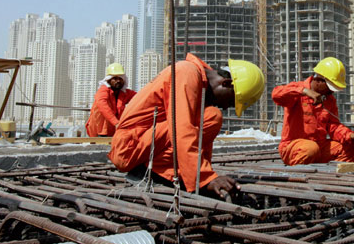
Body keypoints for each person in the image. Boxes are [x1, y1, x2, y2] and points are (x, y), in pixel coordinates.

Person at [109, 53, 264, 198]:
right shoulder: (187, 73)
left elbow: (200, 144)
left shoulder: (198, 83)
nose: (224, 107)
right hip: (129, 148)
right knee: (211, 117)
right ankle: (154, 174)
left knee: (210, 116)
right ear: (226, 83)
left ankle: (177, 174)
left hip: (143, 143)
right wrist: (204, 178)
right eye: (230, 101)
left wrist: (206, 176)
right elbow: (181, 130)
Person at [272, 57, 354, 165]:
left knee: (353, 146)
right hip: (293, 147)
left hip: (318, 146)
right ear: (319, 80)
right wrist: (304, 91)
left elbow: (333, 126)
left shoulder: (329, 100)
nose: (331, 92)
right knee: (311, 149)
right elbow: (276, 94)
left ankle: (329, 172)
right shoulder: (298, 90)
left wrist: (350, 135)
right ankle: (300, 169)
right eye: (330, 87)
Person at [85, 63, 136, 137]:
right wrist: (116, 123)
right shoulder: (103, 91)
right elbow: (102, 105)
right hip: (100, 131)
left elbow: (141, 96)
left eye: (120, 78)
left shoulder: (124, 93)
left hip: (114, 132)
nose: (118, 81)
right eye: (115, 78)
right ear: (109, 80)